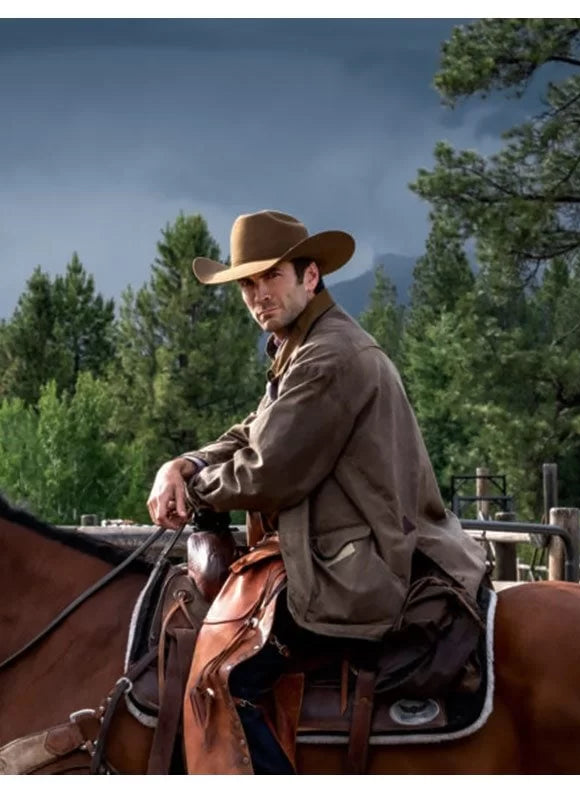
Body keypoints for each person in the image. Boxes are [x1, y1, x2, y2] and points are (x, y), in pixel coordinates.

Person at [147, 209, 488, 773]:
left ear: (310, 276)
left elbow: (266, 470)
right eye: (247, 284)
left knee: (224, 679)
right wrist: (182, 464)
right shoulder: (302, 346)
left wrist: (193, 493)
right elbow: (253, 431)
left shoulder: (329, 355)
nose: (258, 296)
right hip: (345, 547)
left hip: (362, 562)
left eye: (271, 277)